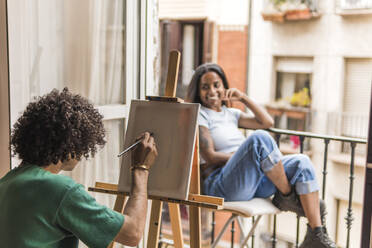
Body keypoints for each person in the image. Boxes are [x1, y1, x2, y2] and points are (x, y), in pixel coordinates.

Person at [186, 63, 336, 248]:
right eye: (205, 87)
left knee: (302, 161)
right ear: (198, 91)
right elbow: (209, 156)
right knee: (259, 139)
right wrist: (240, 156)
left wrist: (243, 98)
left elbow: (267, 121)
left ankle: (316, 234)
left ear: (224, 86)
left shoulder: (231, 114)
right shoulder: (200, 114)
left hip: (250, 181)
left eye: (217, 85)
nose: (212, 91)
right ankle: (288, 197)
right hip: (221, 184)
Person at [0, 88, 158, 247]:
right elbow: (132, 233)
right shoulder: (62, 190)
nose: (83, 151)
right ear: (69, 145)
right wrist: (141, 168)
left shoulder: (6, 183)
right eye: (82, 143)